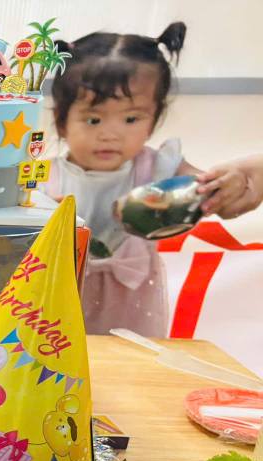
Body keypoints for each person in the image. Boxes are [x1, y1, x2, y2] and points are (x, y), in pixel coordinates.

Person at [42, 22, 263, 335]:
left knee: (131, 363)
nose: (110, 134)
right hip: (55, 305)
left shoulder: (159, 166)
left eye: (131, 118)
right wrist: (39, 213)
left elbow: (202, 186)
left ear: (154, 119)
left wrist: (226, 183)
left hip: (131, 308)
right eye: (93, 119)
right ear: (61, 121)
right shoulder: (44, 177)